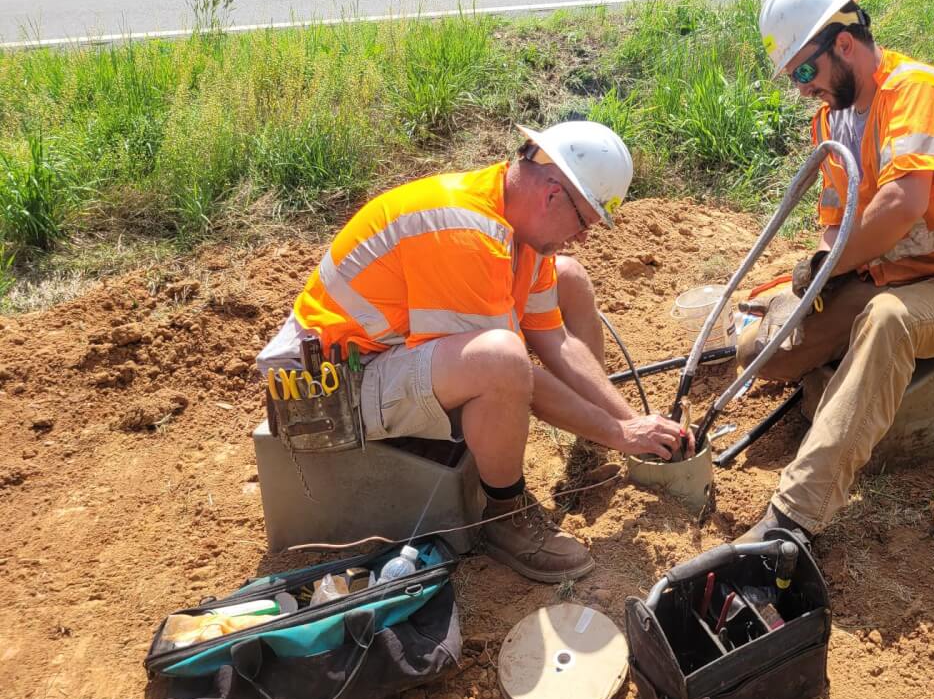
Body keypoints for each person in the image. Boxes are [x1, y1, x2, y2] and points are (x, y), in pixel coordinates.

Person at [258, 121, 693, 583]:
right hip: (329, 389)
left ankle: (592, 433)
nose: (584, 236)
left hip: (384, 355)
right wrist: (619, 433)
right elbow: (514, 373)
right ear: (552, 195)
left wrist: (627, 422)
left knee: (569, 277)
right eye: (585, 220)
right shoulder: (464, 231)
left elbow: (556, 341)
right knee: (501, 361)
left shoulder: (516, 224)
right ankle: (503, 514)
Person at [735, 0, 934, 543]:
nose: (803, 91)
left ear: (843, 44)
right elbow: (833, 220)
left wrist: (836, 265)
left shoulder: (915, 89)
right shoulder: (832, 121)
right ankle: (836, 369)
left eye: (804, 73)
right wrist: (823, 263)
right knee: (761, 354)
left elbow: (901, 204)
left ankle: (795, 517)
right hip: (890, 275)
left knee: (886, 321)